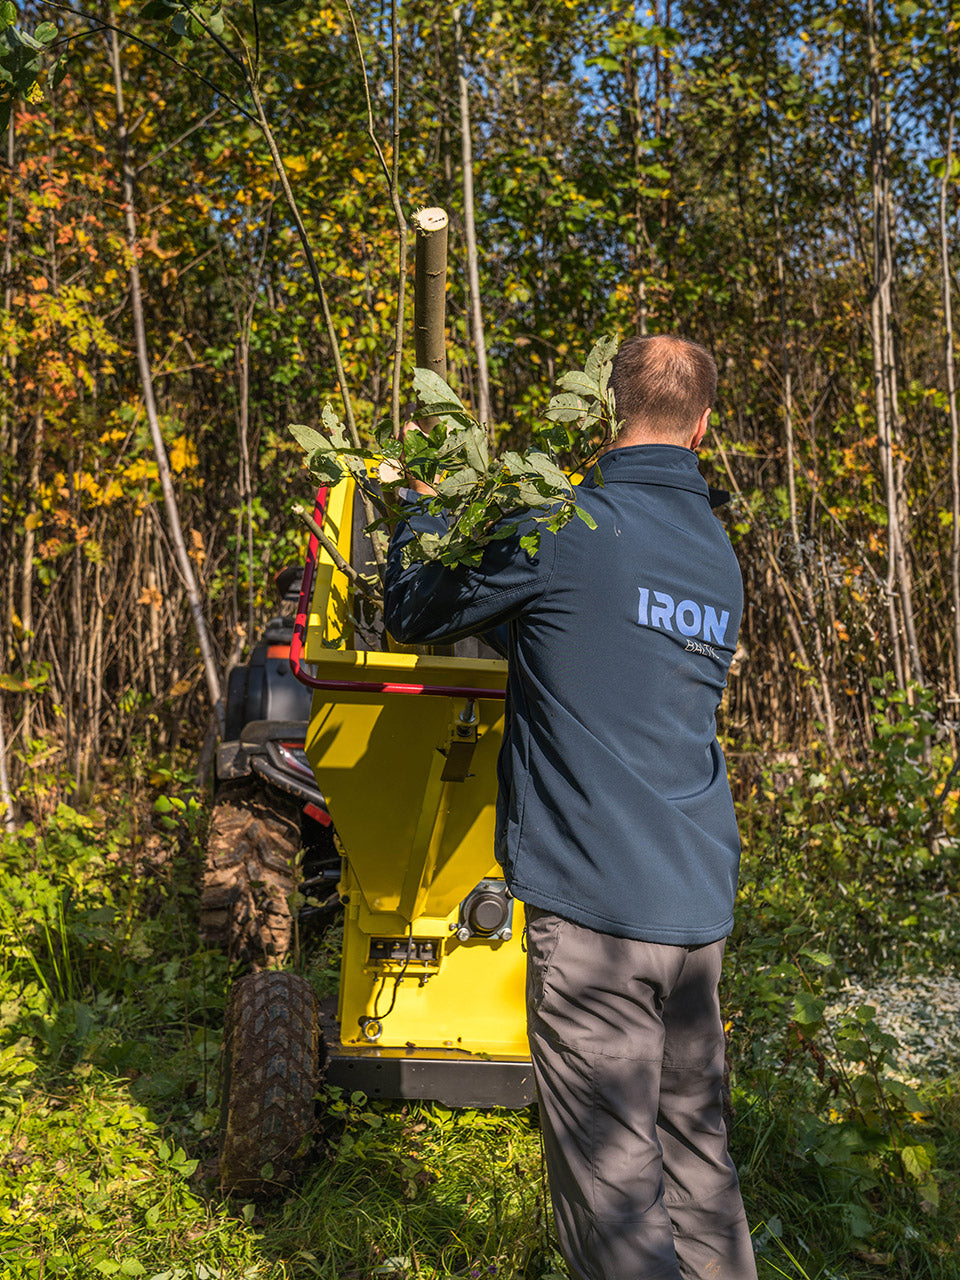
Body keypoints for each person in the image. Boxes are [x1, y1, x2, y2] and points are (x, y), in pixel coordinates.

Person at [383, 334, 757, 1280]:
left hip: (597, 915)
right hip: (694, 914)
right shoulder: (718, 561)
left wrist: (423, 514)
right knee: (698, 1168)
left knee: (615, 1199)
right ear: (704, 427)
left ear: (604, 410)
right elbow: (588, 656)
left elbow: (417, 611)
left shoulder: (566, 528)